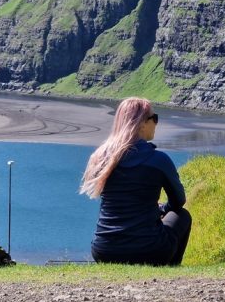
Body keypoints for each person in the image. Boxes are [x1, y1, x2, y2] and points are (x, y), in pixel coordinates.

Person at [80, 97, 191, 266]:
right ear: (141, 124)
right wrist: (163, 209)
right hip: (149, 251)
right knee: (182, 216)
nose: (156, 123)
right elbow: (178, 201)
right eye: (154, 118)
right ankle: (172, 268)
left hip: (104, 251)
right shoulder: (158, 160)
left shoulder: (101, 158)